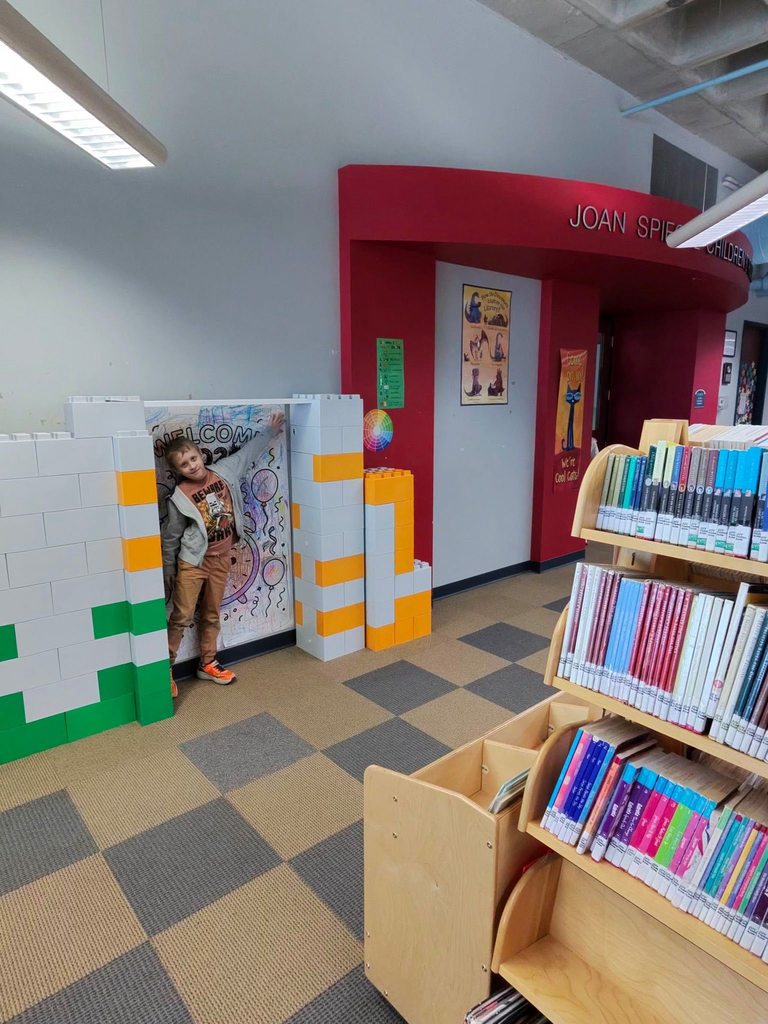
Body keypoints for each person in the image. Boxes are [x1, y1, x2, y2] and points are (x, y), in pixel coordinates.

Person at [162, 410, 285, 696]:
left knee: (211, 613)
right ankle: (164, 669)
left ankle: (207, 663)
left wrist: (270, 431)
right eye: (184, 465)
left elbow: (248, 452)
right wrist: (169, 569)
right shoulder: (180, 497)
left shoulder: (224, 472)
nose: (191, 466)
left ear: (200, 455)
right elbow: (171, 538)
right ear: (177, 470)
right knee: (181, 616)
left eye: (193, 458)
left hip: (220, 559)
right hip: (192, 564)